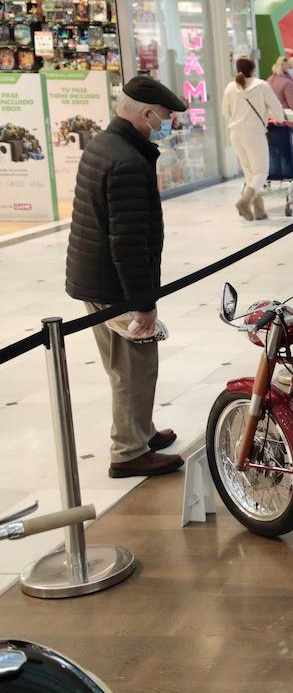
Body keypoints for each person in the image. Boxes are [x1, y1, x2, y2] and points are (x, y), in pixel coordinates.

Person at [65, 75, 188, 478]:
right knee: (133, 367)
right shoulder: (127, 162)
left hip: (95, 277)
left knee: (129, 364)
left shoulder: (105, 144)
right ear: (146, 113)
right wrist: (143, 303)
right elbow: (128, 241)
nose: (168, 121)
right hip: (113, 285)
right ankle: (128, 452)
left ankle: (142, 430)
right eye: (166, 115)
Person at [221, 57, 286, 221]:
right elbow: (277, 109)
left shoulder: (230, 87)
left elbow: (225, 112)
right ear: (253, 69)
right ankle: (244, 201)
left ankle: (259, 210)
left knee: (250, 171)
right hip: (254, 134)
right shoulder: (261, 86)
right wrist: (277, 118)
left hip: (235, 134)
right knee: (261, 172)